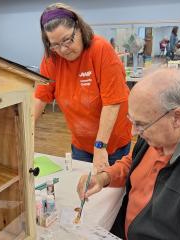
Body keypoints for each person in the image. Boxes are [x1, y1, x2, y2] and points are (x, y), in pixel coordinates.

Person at [77, 68, 180, 239]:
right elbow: (133, 162)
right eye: (131, 121)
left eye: (140, 124)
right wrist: (104, 177)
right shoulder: (158, 133)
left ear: (177, 118)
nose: (133, 132)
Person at [35, 3, 132, 170]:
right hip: (81, 142)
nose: (63, 50)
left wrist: (100, 146)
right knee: (84, 188)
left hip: (112, 142)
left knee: (112, 189)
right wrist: (25, 135)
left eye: (67, 40)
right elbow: (40, 97)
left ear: (79, 28)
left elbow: (112, 102)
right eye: (55, 44)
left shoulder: (100, 49)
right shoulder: (52, 58)